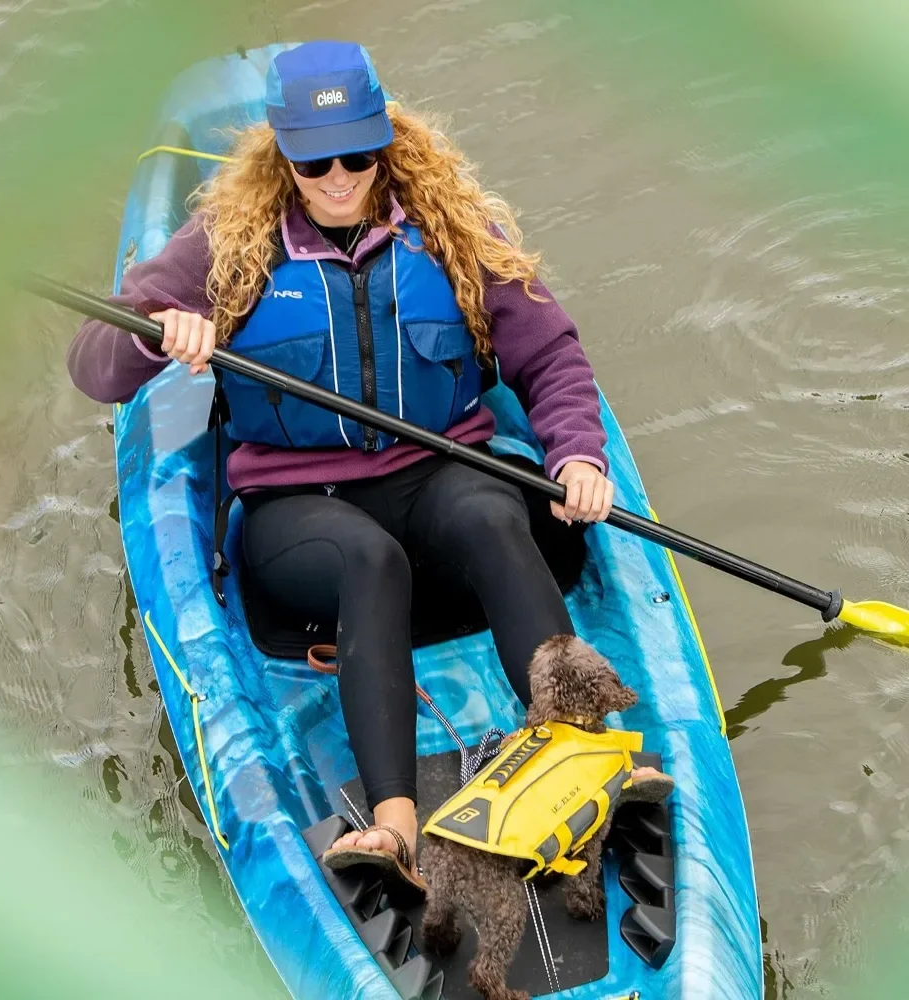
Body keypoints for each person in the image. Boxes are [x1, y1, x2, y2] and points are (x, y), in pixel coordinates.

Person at [67, 39, 664, 895]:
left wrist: (576, 453)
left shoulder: (451, 230)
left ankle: (579, 749)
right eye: (315, 162)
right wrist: (153, 331)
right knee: (366, 558)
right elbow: (91, 365)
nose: (340, 177)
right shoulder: (224, 245)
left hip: (436, 471)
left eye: (358, 152)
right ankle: (392, 827)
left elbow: (553, 357)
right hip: (298, 507)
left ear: (387, 139)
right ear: (284, 156)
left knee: (495, 512)